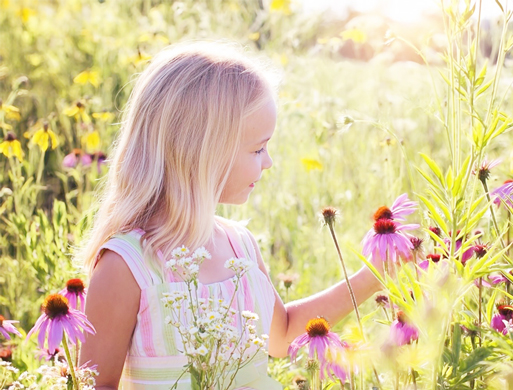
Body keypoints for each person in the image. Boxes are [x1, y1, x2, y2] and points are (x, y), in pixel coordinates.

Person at [77, 40, 383, 389]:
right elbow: (95, 384)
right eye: (257, 148)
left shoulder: (241, 246)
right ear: (202, 152)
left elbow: (282, 336)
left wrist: (373, 275)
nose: (268, 162)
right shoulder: (127, 266)